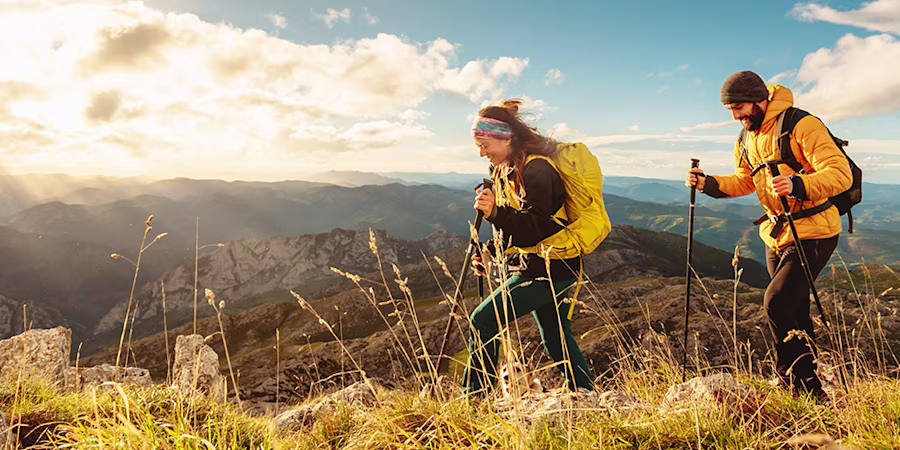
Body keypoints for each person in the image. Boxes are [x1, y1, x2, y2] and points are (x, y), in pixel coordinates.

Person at [685, 70, 851, 399]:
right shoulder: (746, 138)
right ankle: (807, 384)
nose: (736, 116)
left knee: (776, 301)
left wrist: (798, 184)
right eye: (731, 110)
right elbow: (745, 181)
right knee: (794, 308)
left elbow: (840, 174)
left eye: (740, 107)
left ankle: (796, 382)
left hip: (815, 230)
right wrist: (709, 184)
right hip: (776, 233)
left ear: (761, 100)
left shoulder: (801, 125)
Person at [462, 99, 594, 396]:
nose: (482, 153)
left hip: (548, 268)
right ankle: (586, 394)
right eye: (478, 147)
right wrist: (490, 252)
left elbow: (535, 226)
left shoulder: (538, 169)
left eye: (485, 145)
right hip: (552, 264)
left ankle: (474, 400)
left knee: (483, 320)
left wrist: (495, 213)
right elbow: (517, 228)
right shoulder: (510, 169)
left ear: (506, 138)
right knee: (556, 336)